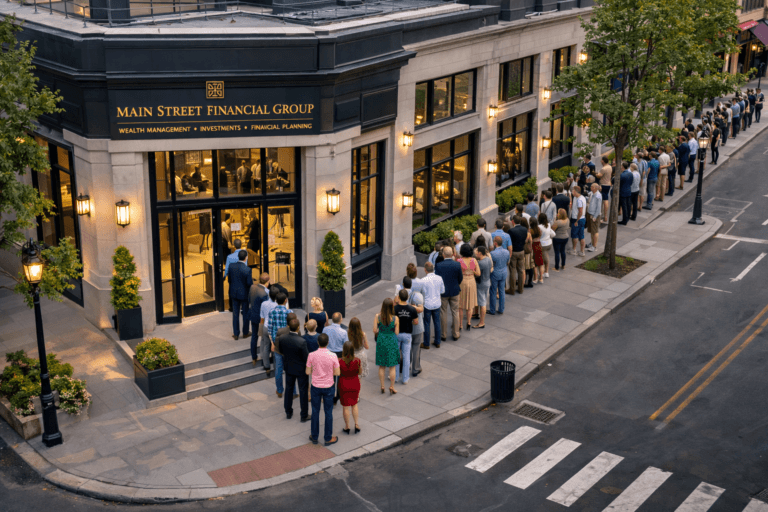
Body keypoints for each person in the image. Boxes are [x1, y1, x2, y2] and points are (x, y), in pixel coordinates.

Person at [306, 333, 339, 446]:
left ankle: (314, 436)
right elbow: (337, 372)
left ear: (318, 343)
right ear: (328, 343)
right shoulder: (333, 355)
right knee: (328, 412)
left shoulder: (311, 355)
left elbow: (307, 372)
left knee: (315, 411)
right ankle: (328, 438)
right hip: (329, 386)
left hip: (315, 386)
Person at [280, 318, 310, 422]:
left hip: (289, 367)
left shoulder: (282, 338)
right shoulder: (302, 341)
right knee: (303, 391)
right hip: (301, 370)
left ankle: (288, 412)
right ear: (298, 328)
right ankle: (304, 415)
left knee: (288, 389)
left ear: (289, 327)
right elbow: (306, 357)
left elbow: (281, 351)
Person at [435, 246, 462, 342]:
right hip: (455, 291)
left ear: (443, 254)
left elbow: (437, 279)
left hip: (443, 292)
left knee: (443, 312)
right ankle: (456, 334)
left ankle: (443, 334)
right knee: (455, 312)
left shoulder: (439, 265)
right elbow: (460, 278)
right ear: (452, 254)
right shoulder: (457, 264)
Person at [269, 292, 292, 398]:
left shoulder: (272, 312)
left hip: (277, 342)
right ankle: (292, 390)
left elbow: (270, 329)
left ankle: (279, 390)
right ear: (286, 300)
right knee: (289, 367)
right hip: (288, 341)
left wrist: (272, 343)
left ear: (275, 300)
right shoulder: (289, 312)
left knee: (278, 368)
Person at [374, 298, 400, 395]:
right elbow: (397, 332)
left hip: (381, 340)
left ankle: (382, 386)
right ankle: (392, 386)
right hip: (392, 341)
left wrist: (381, 330)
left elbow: (374, 330)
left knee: (382, 366)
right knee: (392, 366)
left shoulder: (377, 316)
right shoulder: (395, 318)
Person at [399, 277, 424, 377]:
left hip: (405, 327)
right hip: (417, 327)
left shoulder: (400, 296)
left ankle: (406, 366)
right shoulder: (417, 295)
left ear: (403, 284)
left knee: (406, 347)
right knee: (416, 347)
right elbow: (421, 308)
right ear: (411, 285)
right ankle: (415, 368)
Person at [394, 289, 418, 385]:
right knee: (406, 356)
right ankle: (405, 379)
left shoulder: (395, 309)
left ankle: (395, 377)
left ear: (399, 297)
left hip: (396, 334)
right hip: (407, 334)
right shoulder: (412, 309)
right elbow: (416, 322)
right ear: (407, 297)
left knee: (396, 356)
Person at [324, 312, 349, 404]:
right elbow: (346, 345)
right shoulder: (343, 332)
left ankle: (329, 394)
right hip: (339, 355)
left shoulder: (325, 329)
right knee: (339, 375)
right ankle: (337, 395)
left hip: (329, 353)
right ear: (340, 320)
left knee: (330, 375)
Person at [338, 341, 362, 435]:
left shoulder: (340, 361)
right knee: (354, 404)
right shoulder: (357, 360)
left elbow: (338, 373)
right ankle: (356, 424)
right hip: (355, 383)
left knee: (345, 406)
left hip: (344, 384)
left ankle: (347, 426)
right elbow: (359, 372)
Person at [228, 250, 252, 341]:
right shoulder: (247, 269)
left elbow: (229, 280)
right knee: (245, 313)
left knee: (235, 313)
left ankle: (236, 334)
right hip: (244, 294)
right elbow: (249, 283)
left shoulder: (231, 266)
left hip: (234, 293)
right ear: (246, 258)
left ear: (238, 257)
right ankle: (245, 332)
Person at [247, 272, 270, 367]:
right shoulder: (265, 293)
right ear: (267, 282)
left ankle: (254, 357)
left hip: (253, 315)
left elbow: (249, 300)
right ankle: (265, 359)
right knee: (264, 338)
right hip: (261, 319)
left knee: (254, 336)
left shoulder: (252, 287)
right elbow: (266, 308)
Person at [420, 262, 444, 349]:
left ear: (425, 269)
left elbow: (421, 293)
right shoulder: (439, 278)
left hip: (427, 304)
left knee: (426, 323)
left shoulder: (423, 280)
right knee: (437, 322)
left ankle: (426, 343)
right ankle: (437, 342)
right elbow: (442, 291)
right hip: (437, 303)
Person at [456, 244, 480, 329]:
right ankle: (469, 322)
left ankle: (460, 324)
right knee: (470, 304)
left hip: (462, 281)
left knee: (460, 305)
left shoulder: (459, 261)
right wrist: (472, 271)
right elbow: (478, 273)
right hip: (472, 281)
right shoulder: (474, 260)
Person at [260, 286, 279, 376]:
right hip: (274, 328)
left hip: (265, 326)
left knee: (266, 347)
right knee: (275, 348)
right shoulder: (277, 305)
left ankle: (266, 366)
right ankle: (276, 367)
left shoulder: (264, 304)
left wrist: (261, 328)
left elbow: (262, 317)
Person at [488, 237, 509, 316]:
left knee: (493, 291)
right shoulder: (506, 251)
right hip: (504, 272)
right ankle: (501, 309)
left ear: (495, 243)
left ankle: (492, 310)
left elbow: (490, 264)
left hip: (495, 273)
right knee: (502, 291)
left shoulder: (492, 253)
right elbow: (507, 261)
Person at [507, 216, 528, 294]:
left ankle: (512, 289)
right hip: (521, 251)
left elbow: (509, 242)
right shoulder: (525, 229)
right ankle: (520, 289)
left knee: (513, 270)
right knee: (521, 270)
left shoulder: (511, 231)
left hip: (514, 252)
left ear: (513, 221)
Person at [569, 186, 587, 257]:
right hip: (582, 219)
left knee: (575, 235)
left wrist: (576, 221)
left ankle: (574, 250)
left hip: (577, 219)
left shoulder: (579, 200)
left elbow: (580, 211)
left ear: (575, 191)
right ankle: (582, 251)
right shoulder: (580, 197)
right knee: (581, 236)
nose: (572, 192)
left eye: (572, 191)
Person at [585, 183, 602, 252]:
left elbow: (598, 208)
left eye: (591, 187)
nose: (590, 187)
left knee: (595, 231)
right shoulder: (592, 193)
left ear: (594, 188)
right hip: (590, 214)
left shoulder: (598, 196)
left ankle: (594, 246)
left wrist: (595, 217)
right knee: (592, 231)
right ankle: (592, 243)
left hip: (594, 216)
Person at [529, 218, 545, 284]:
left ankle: (535, 278)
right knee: (540, 263)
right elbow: (540, 236)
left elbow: (530, 240)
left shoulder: (530, 230)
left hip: (533, 246)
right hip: (539, 245)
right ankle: (541, 278)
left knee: (535, 264)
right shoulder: (539, 229)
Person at [596, 156, 613, 221]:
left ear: (603, 161)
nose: (600, 161)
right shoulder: (610, 167)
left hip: (603, 184)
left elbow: (599, 176)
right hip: (608, 184)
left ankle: (602, 215)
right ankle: (605, 215)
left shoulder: (603, 168)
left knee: (603, 200)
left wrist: (596, 174)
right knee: (606, 199)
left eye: (601, 160)